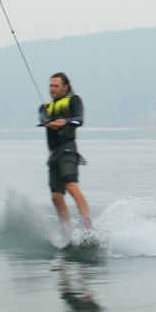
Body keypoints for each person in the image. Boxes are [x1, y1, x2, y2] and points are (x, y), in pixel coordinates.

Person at [39, 72, 93, 243]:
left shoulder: (74, 100)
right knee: (56, 197)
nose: (52, 89)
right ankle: (67, 233)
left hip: (68, 150)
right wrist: (50, 122)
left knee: (71, 185)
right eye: (50, 86)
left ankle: (88, 226)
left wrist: (65, 122)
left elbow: (79, 119)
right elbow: (43, 119)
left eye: (56, 86)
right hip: (54, 155)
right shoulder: (44, 107)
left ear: (65, 86)